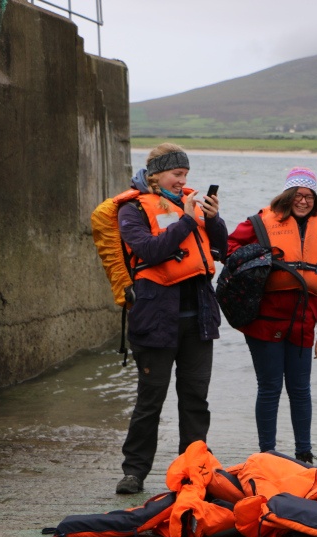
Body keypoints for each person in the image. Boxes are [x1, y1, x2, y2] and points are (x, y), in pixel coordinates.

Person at [115, 143, 228, 494]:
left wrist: (212, 219)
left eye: (185, 175)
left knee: (195, 399)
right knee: (151, 399)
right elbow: (149, 250)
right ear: (156, 174)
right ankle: (134, 471)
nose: (183, 181)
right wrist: (185, 220)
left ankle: (193, 470)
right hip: (154, 319)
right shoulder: (132, 210)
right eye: (177, 174)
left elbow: (220, 250)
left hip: (199, 319)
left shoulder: (192, 205)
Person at [226, 168, 317, 463]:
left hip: (303, 322)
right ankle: (268, 453)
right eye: (298, 195)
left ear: (316, 200)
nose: (303, 201)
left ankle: (304, 453)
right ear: (287, 196)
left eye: (309, 197)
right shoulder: (259, 223)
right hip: (264, 321)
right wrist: (259, 259)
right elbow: (229, 247)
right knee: (269, 387)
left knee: (300, 389)